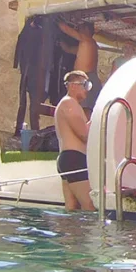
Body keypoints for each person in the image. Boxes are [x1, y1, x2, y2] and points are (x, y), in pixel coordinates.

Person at [54, 70, 96, 211]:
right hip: (74, 159)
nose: (87, 90)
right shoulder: (70, 104)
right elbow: (83, 134)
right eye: (85, 85)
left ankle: (70, 233)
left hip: (67, 160)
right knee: (90, 205)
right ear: (72, 85)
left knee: (72, 208)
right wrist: (98, 119)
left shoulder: (67, 104)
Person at [58, 21, 101, 113]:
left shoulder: (87, 40)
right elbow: (68, 49)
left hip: (87, 78)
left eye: (80, 28)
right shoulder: (86, 44)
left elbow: (66, 29)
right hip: (87, 78)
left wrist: (57, 22)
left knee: (86, 109)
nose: (78, 30)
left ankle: (84, 127)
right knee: (82, 107)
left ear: (86, 30)